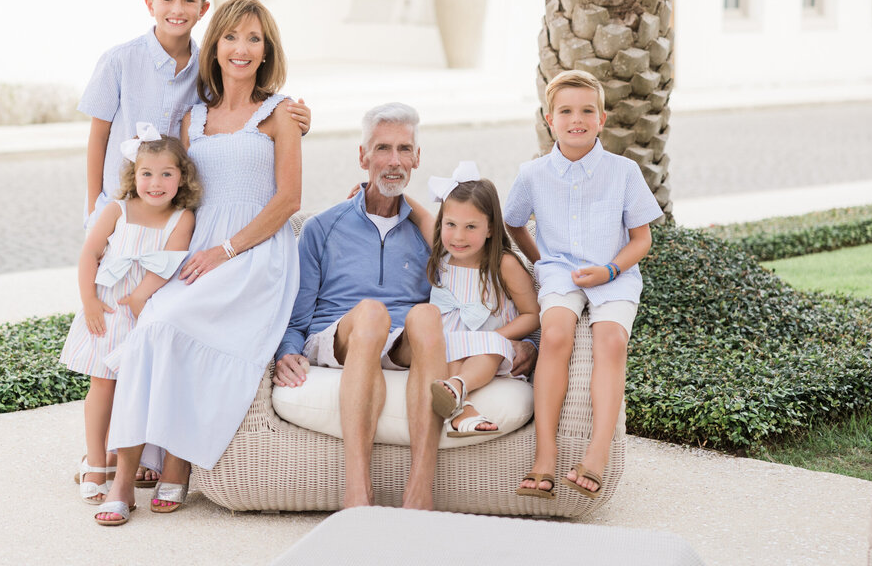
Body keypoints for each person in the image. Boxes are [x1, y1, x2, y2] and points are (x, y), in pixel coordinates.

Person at [95, 0, 302, 526]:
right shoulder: (194, 118)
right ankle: (129, 472)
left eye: (253, 39)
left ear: (266, 51)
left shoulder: (281, 115)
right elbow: (175, 192)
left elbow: (288, 201)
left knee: (169, 321)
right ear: (217, 47)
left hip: (254, 255)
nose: (241, 48)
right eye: (232, 37)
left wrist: (227, 250)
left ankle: (178, 464)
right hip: (196, 251)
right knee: (153, 324)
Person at [274, 104, 537, 510]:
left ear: (417, 158)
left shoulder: (434, 237)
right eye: (382, 148)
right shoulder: (321, 228)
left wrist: (527, 345)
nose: (393, 161)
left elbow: (498, 282)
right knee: (371, 314)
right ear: (362, 156)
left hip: (402, 344)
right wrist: (288, 350)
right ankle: (357, 488)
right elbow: (296, 312)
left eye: (403, 149)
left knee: (426, 314)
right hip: (338, 336)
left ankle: (420, 488)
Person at [506, 69, 662, 501]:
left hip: (615, 272)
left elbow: (642, 239)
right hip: (559, 270)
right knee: (555, 334)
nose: (577, 119)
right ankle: (545, 455)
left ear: (602, 119)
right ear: (549, 119)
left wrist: (609, 271)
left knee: (610, 341)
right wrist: (543, 263)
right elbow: (513, 222)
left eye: (587, 111)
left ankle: (596, 454)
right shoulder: (533, 174)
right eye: (566, 111)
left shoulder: (624, 171)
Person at [78, 0, 310, 228]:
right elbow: (98, 138)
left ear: (203, 9)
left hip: (172, 220)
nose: (177, 9)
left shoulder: (209, 71)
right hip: (116, 211)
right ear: (150, 4)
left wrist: (295, 124)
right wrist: (95, 208)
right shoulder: (119, 61)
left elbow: (236, 114)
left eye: (189, 0)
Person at [58, 124, 198, 504]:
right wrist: (88, 300)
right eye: (146, 173)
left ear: (181, 177)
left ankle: (125, 457)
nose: (156, 183)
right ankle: (95, 460)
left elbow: (165, 266)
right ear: (133, 176)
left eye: (166, 174)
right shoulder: (116, 209)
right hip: (105, 311)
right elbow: (89, 253)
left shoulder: (181, 218)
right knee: (102, 385)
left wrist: (140, 296)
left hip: (144, 313)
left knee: (137, 391)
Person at [417, 162, 539, 438]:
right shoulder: (442, 257)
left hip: (490, 351)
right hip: (448, 348)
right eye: (451, 224)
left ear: (490, 229)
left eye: (471, 226)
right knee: (444, 344)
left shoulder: (502, 264)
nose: (458, 236)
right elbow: (419, 215)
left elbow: (532, 314)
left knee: (487, 348)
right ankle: (461, 407)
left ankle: (458, 386)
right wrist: (372, 191)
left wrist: (495, 336)